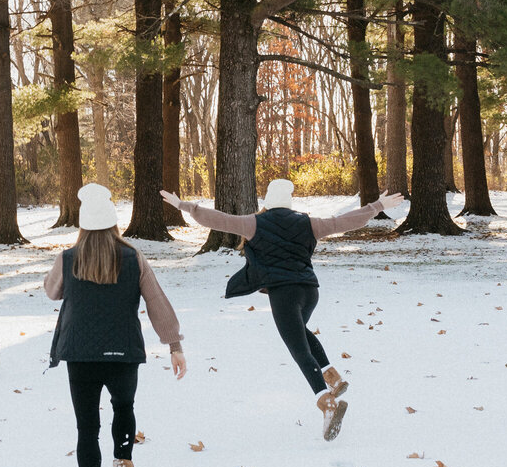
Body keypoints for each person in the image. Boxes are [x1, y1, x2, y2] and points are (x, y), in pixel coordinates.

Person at [161, 180, 403, 440]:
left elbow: (218, 219)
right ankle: (331, 375)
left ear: (268, 201)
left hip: (284, 294)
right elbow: (343, 222)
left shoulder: (254, 222)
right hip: (310, 291)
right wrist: (376, 206)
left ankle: (327, 402)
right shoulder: (308, 222)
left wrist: (183, 205)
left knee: (298, 348)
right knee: (301, 333)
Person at [46, 184, 187, 467]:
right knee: (123, 408)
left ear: (83, 224)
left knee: (87, 427)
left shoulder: (68, 259)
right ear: (113, 223)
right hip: (123, 353)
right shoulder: (133, 256)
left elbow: (52, 292)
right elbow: (156, 302)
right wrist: (174, 346)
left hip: (79, 355)